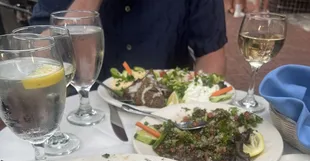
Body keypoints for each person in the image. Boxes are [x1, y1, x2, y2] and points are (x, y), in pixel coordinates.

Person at [30, 0, 227, 81]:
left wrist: (198, 105)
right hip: (84, 114)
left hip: (167, 109)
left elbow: (210, 54)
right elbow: (37, 58)